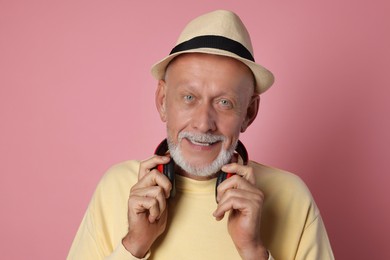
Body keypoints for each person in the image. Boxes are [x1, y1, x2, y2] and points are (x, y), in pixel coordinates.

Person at [67, 10, 334, 260]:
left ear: (249, 112)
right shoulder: (116, 187)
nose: (203, 123)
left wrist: (253, 250)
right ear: (162, 101)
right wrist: (134, 244)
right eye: (189, 97)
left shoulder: (292, 196)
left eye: (224, 102)